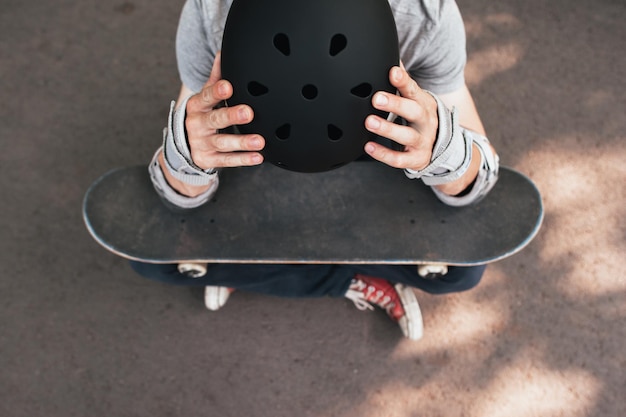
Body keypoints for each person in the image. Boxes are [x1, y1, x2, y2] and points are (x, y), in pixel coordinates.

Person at [131, 0, 499, 340]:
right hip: (253, 158)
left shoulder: (424, 12)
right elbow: (180, 191)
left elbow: (479, 182)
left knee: (463, 269)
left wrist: (439, 149)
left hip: (374, 160)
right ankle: (347, 277)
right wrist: (190, 155)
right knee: (153, 260)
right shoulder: (211, 8)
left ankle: (252, 270)